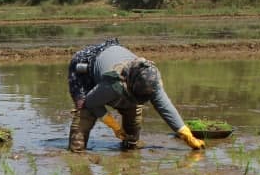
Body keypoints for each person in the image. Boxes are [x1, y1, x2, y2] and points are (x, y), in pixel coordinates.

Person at [66, 39, 206, 153]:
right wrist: (113, 125)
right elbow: (92, 102)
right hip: (85, 68)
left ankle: (130, 146)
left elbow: (166, 108)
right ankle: (77, 153)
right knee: (85, 112)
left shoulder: (150, 79)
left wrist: (186, 134)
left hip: (116, 60)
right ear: (128, 84)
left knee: (133, 112)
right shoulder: (113, 82)